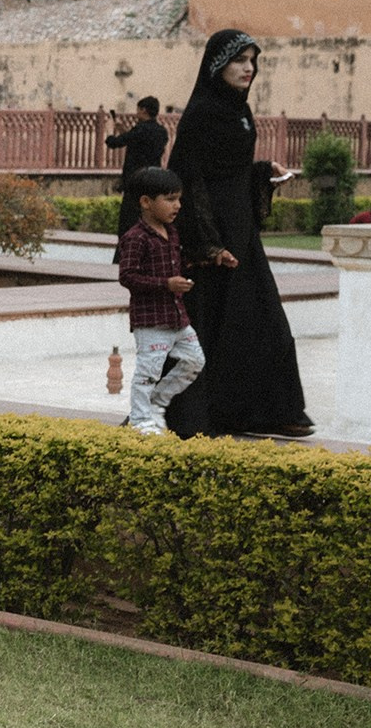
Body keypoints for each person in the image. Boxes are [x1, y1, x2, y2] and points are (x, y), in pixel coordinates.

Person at [164, 29, 315, 438]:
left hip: (240, 229)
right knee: (210, 322)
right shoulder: (202, 113)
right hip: (213, 231)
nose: (248, 68)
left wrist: (264, 173)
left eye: (252, 60)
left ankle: (269, 411)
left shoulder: (239, 110)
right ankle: (194, 416)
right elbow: (189, 176)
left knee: (262, 320)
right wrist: (208, 244)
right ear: (217, 65)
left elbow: (228, 171)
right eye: (239, 60)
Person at [114, 167, 205, 435]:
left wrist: (209, 258)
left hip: (177, 317)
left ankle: (156, 404)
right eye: (169, 199)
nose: (177, 205)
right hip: (151, 320)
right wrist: (166, 284)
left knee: (194, 361)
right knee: (147, 373)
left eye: (178, 198)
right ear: (145, 202)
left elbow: (175, 262)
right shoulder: (135, 238)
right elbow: (127, 276)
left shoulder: (172, 232)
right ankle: (141, 421)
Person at [103, 96, 168, 236]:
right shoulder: (162, 132)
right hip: (153, 182)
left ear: (143, 110)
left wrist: (109, 130)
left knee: (128, 224)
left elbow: (113, 143)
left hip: (134, 182)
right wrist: (123, 130)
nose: (136, 113)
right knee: (147, 222)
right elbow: (137, 143)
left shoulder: (140, 130)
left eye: (138, 110)